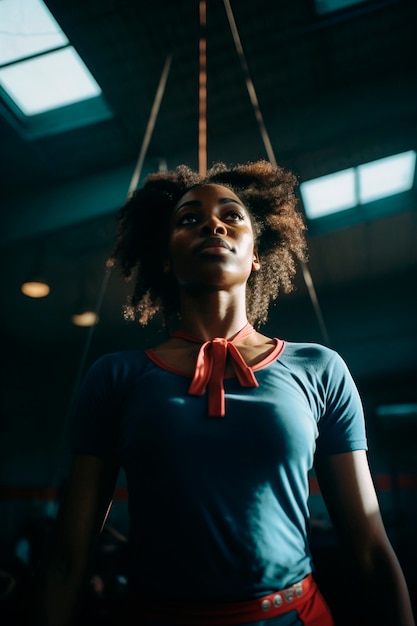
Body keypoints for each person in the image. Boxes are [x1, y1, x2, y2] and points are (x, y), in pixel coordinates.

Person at [36, 160, 415, 626]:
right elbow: (67, 561)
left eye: (232, 216)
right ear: (166, 257)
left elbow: (371, 549)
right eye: (189, 219)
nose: (213, 223)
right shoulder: (116, 376)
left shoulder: (319, 369)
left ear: (257, 252)